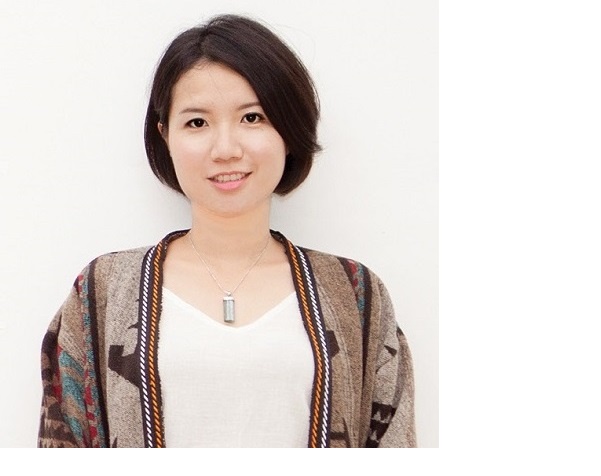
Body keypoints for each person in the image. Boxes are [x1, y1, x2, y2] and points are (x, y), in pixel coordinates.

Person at [37, 13, 416, 448]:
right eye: (197, 122)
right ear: (165, 135)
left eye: (252, 118)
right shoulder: (102, 292)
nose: (226, 149)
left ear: (288, 128)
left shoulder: (355, 294)